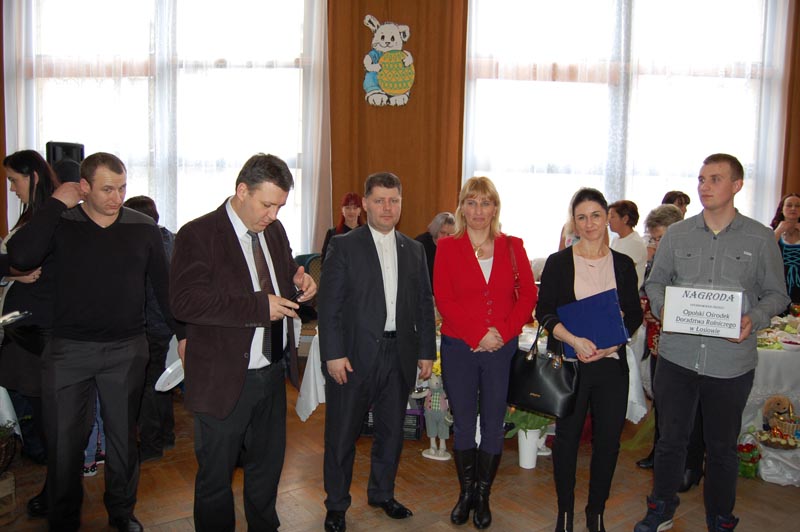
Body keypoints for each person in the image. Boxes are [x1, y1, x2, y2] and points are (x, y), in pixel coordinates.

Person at [8, 151, 181, 532]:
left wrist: (184, 336)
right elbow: (20, 256)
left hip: (126, 349)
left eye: (122, 188)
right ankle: (64, 518)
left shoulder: (142, 227)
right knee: (64, 442)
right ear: (83, 187)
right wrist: (55, 204)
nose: (116, 198)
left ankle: (121, 513)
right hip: (68, 350)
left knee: (123, 438)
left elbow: (164, 288)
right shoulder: (61, 222)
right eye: (107, 189)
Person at [634, 154, 789, 532]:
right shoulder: (677, 234)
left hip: (730, 362)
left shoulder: (760, 238)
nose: (704, 186)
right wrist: (665, 307)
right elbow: (655, 282)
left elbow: (777, 294)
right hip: (678, 357)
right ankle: (661, 508)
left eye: (715, 179)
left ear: (736, 185)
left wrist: (754, 318)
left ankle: (720, 517)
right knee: (670, 441)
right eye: (701, 179)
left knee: (721, 448)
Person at [169, 153, 317, 532]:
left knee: (266, 470)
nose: (273, 215)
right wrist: (257, 306)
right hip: (223, 377)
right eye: (266, 204)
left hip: (271, 373)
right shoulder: (198, 234)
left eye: (280, 206)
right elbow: (185, 302)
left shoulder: (274, 231)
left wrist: (300, 282)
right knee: (216, 477)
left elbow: (282, 276)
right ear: (242, 191)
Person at [318, 171, 436, 532]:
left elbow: (423, 305)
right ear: (366, 204)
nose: (388, 207)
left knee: (391, 432)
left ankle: (382, 493)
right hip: (352, 357)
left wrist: (426, 351)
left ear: (401, 204)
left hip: (399, 354)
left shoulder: (413, 250)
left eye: (394, 200)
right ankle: (336, 505)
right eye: (380, 200)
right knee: (342, 435)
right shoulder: (344, 246)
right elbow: (329, 305)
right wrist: (333, 354)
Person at [536, 188, 643, 532]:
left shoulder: (623, 264)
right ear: (574, 221)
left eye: (595, 215)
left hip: (611, 366)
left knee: (608, 444)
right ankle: (565, 513)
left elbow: (634, 315)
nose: (589, 223)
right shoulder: (558, 262)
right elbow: (544, 311)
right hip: (571, 364)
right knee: (566, 441)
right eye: (581, 217)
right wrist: (574, 341)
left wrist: (610, 347)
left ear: (606, 217)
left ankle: (596, 512)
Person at [433, 176, 537, 529]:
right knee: (464, 423)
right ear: (462, 207)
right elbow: (444, 298)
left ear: (495, 208)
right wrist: (477, 334)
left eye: (486, 202)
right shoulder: (447, 247)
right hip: (459, 347)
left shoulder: (512, 246)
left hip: (500, 350)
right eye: (472, 202)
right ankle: (466, 493)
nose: (479, 210)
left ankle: (483, 495)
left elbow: (528, 296)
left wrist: (501, 334)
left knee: (493, 424)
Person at [0, 150, 58, 519]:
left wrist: (12, 268)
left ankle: (57, 489)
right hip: (25, 335)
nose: (11, 188)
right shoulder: (33, 217)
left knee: (50, 418)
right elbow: (16, 263)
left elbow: (24, 260)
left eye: (14, 180)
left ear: (33, 176)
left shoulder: (48, 219)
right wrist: (13, 272)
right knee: (41, 416)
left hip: (39, 337)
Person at [124, 195, 177, 462]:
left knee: (147, 386)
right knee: (161, 380)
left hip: (150, 323)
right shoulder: (172, 238)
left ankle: (151, 445)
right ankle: (166, 435)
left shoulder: (142, 243)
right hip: (170, 323)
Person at [608, 200, 648, 289]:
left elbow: (621, 272)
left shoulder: (635, 243)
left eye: (612, 217)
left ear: (625, 219)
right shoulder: (615, 239)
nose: (609, 220)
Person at [770, 192, 800, 304]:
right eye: (789, 205)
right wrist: (778, 231)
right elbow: (763, 254)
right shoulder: (772, 233)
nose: (793, 208)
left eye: (798, 206)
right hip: (778, 285)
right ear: (782, 209)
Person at [321, 191, 364, 263]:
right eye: (347, 208)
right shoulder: (332, 233)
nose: (351, 211)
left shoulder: (366, 234)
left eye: (355, 208)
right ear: (342, 210)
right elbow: (325, 261)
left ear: (360, 210)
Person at [416, 211, 455, 289]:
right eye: (442, 233)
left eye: (449, 235)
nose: (446, 237)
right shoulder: (420, 245)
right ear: (435, 230)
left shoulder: (454, 247)